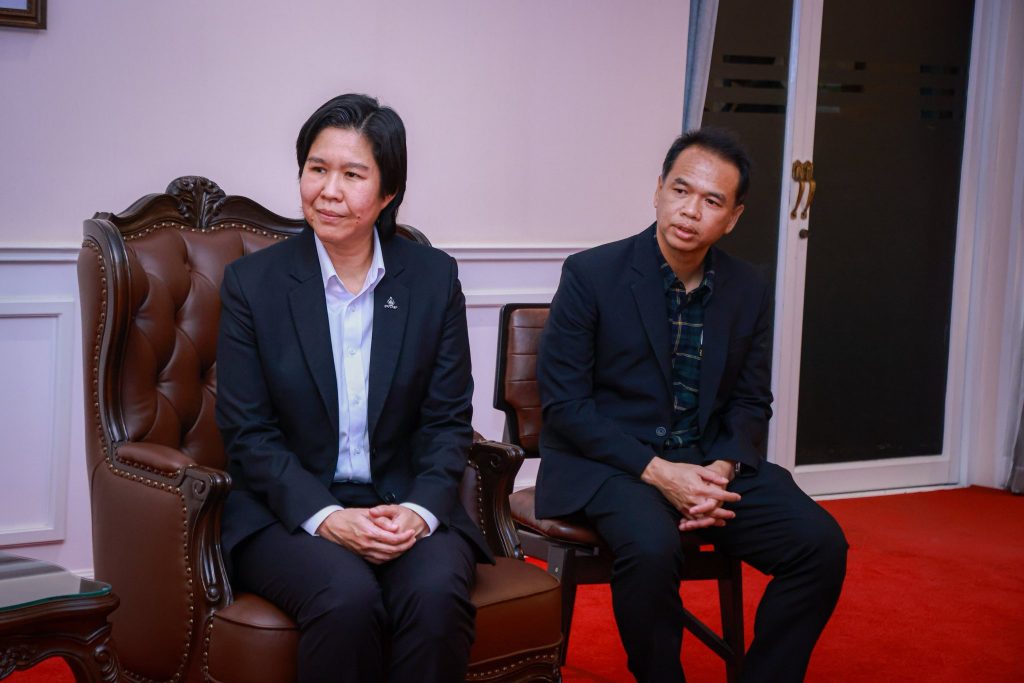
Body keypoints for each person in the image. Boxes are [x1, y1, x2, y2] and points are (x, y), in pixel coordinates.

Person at [535, 128, 848, 682]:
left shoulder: (747, 287)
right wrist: (661, 473)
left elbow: (751, 399)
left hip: (706, 463)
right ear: (658, 189)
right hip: (614, 466)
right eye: (681, 190)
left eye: (712, 201)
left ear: (733, 218)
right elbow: (565, 406)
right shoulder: (591, 275)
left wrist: (720, 469)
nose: (690, 211)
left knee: (819, 545)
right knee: (652, 549)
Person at [215, 93, 489, 683]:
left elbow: (447, 421)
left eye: (352, 175)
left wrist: (417, 512)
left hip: (401, 501)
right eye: (317, 169)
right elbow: (248, 434)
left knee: (436, 596)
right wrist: (326, 516)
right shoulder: (253, 285)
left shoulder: (432, 279)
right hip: (288, 512)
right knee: (346, 598)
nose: (329, 191)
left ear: (388, 193)